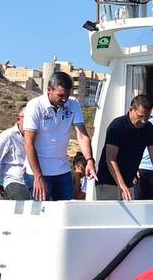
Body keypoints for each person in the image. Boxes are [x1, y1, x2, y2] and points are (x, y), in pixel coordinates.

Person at [23, 71, 97, 201]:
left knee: (66, 210)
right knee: (42, 214)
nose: (64, 100)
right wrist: (38, 176)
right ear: (49, 90)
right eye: (61, 96)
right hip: (38, 171)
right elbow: (29, 143)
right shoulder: (35, 106)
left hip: (62, 170)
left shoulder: (73, 104)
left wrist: (90, 160)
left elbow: (81, 134)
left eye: (67, 96)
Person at [96, 94, 153, 201]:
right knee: (110, 217)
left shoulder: (148, 128)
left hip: (128, 184)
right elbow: (110, 158)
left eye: (147, 117)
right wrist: (121, 184)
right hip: (108, 183)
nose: (144, 121)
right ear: (131, 110)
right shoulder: (117, 126)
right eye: (140, 116)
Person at [0, 108, 31, 200]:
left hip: (33, 180)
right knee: (25, 204)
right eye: (27, 118)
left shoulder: (37, 136)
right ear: (19, 119)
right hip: (15, 179)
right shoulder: (8, 136)